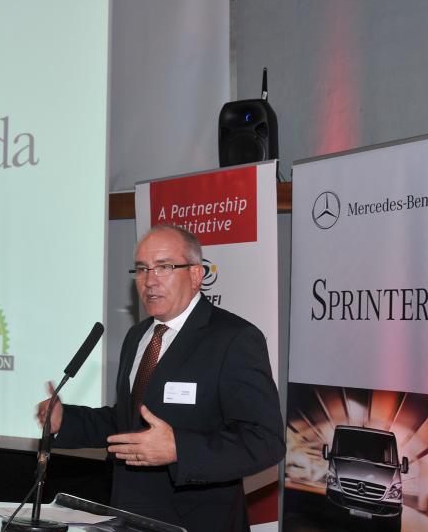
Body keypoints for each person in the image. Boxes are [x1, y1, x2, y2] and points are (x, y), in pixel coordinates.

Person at [37, 224, 285, 532]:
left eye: (164, 267)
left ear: (196, 275)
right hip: (127, 516)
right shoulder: (138, 336)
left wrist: (179, 449)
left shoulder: (234, 339)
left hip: (196, 522)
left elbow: (266, 442)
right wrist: (66, 420)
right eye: (142, 269)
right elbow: (127, 423)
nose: (150, 280)